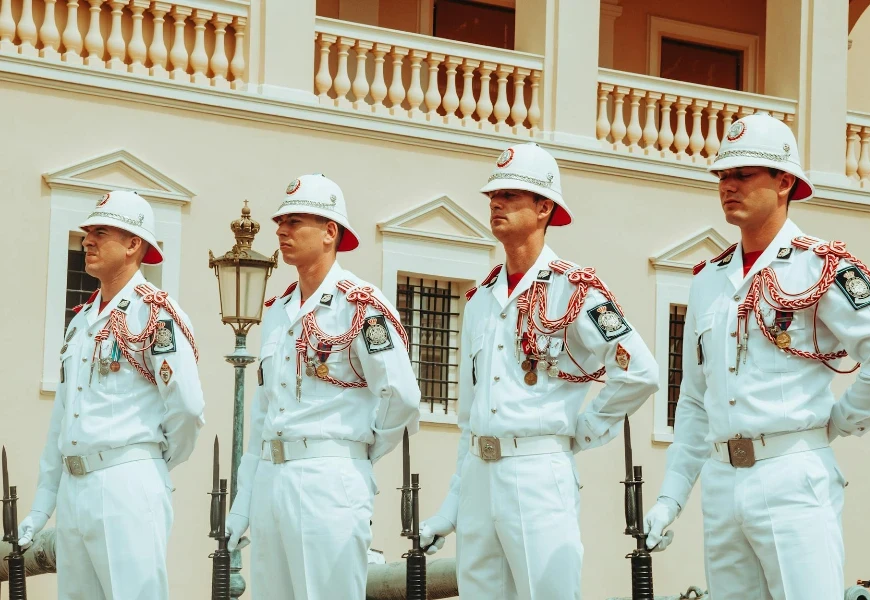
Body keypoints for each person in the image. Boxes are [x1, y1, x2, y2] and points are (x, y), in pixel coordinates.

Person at [644, 114, 870, 599]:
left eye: (743, 174)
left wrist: (838, 421)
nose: (728, 186)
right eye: (723, 175)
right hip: (722, 481)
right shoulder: (706, 280)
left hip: (791, 475)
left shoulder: (820, 265)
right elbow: (695, 402)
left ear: (784, 182)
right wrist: (669, 499)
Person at [419, 143, 659, 599]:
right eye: (494, 195)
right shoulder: (481, 298)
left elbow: (639, 372)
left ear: (544, 207)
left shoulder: (574, 289)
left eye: (511, 195)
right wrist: (453, 503)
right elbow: (469, 419)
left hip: (536, 469)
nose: (496, 203)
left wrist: (582, 430)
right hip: (479, 478)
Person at [225, 173, 421, 599]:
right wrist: (243, 503)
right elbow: (262, 417)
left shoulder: (361, 305)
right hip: (273, 480)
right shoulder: (278, 309)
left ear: (330, 231)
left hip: (328, 479)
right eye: (282, 221)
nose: (282, 230)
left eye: (296, 221)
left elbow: (402, 396)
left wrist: (361, 453)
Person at [18, 190, 205, 599]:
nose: (87, 240)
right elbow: (62, 421)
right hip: (75, 485)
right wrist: (41, 505)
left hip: (126, 482)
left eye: (101, 231)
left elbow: (188, 408)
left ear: (134, 244)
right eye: (87, 231)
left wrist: (149, 461)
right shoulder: (82, 320)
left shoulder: (154, 313)